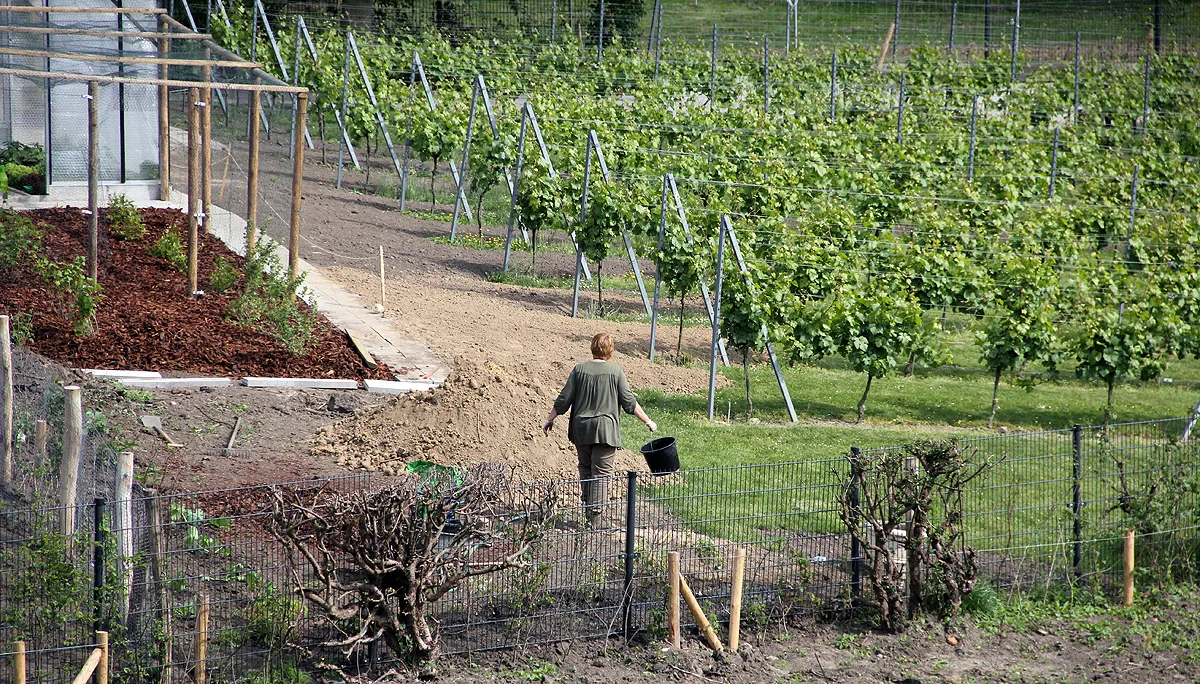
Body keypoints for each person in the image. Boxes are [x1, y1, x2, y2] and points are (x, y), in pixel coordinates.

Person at [543, 332, 656, 526]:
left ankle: (588, 512)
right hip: (605, 431)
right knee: (601, 474)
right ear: (611, 350)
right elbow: (629, 403)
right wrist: (648, 421)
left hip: (581, 430)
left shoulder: (579, 370)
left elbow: (564, 399)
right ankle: (594, 520)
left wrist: (550, 418)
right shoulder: (615, 372)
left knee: (585, 468)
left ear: (592, 348)